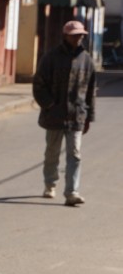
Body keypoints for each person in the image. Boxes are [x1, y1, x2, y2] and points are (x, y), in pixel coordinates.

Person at [33, 20, 96, 207]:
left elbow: (91, 91)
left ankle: (72, 192)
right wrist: (49, 104)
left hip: (77, 115)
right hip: (54, 115)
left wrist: (89, 116)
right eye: (75, 35)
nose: (79, 38)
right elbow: (38, 84)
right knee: (52, 152)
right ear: (66, 36)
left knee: (75, 154)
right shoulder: (51, 57)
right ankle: (50, 183)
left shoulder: (86, 59)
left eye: (81, 35)